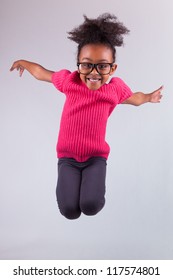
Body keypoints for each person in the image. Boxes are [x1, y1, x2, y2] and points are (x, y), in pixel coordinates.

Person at [10, 13, 163, 220]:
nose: (94, 72)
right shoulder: (69, 82)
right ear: (78, 64)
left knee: (90, 205)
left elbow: (134, 98)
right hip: (67, 158)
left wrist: (148, 97)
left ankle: (92, 190)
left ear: (113, 68)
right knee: (69, 211)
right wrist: (24, 63)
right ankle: (70, 194)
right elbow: (42, 73)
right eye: (86, 64)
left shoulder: (113, 91)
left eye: (102, 66)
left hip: (95, 159)